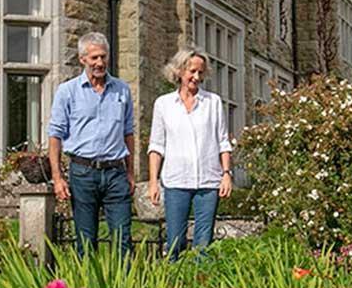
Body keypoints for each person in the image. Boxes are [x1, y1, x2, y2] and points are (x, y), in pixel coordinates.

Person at [47, 31, 138, 256]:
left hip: (116, 173)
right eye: (94, 57)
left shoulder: (122, 90)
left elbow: (128, 133)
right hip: (83, 172)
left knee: (123, 240)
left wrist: (131, 172)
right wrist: (57, 178)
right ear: (82, 59)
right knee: (85, 242)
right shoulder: (67, 92)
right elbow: (55, 136)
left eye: (103, 57)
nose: (100, 62)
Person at [146, 48, 232, 259]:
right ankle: (173, 287)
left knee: (204, 245)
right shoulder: (164, 104)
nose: (196, 77)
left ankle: (202, 286)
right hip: (176, 181)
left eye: (201, 73)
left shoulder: (213, 103)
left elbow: (223, 141)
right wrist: (153, 181)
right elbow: (156, 146)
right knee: (175, 241)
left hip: (208, 182)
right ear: (179, 71)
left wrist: (226, 174)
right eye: (192, 71)